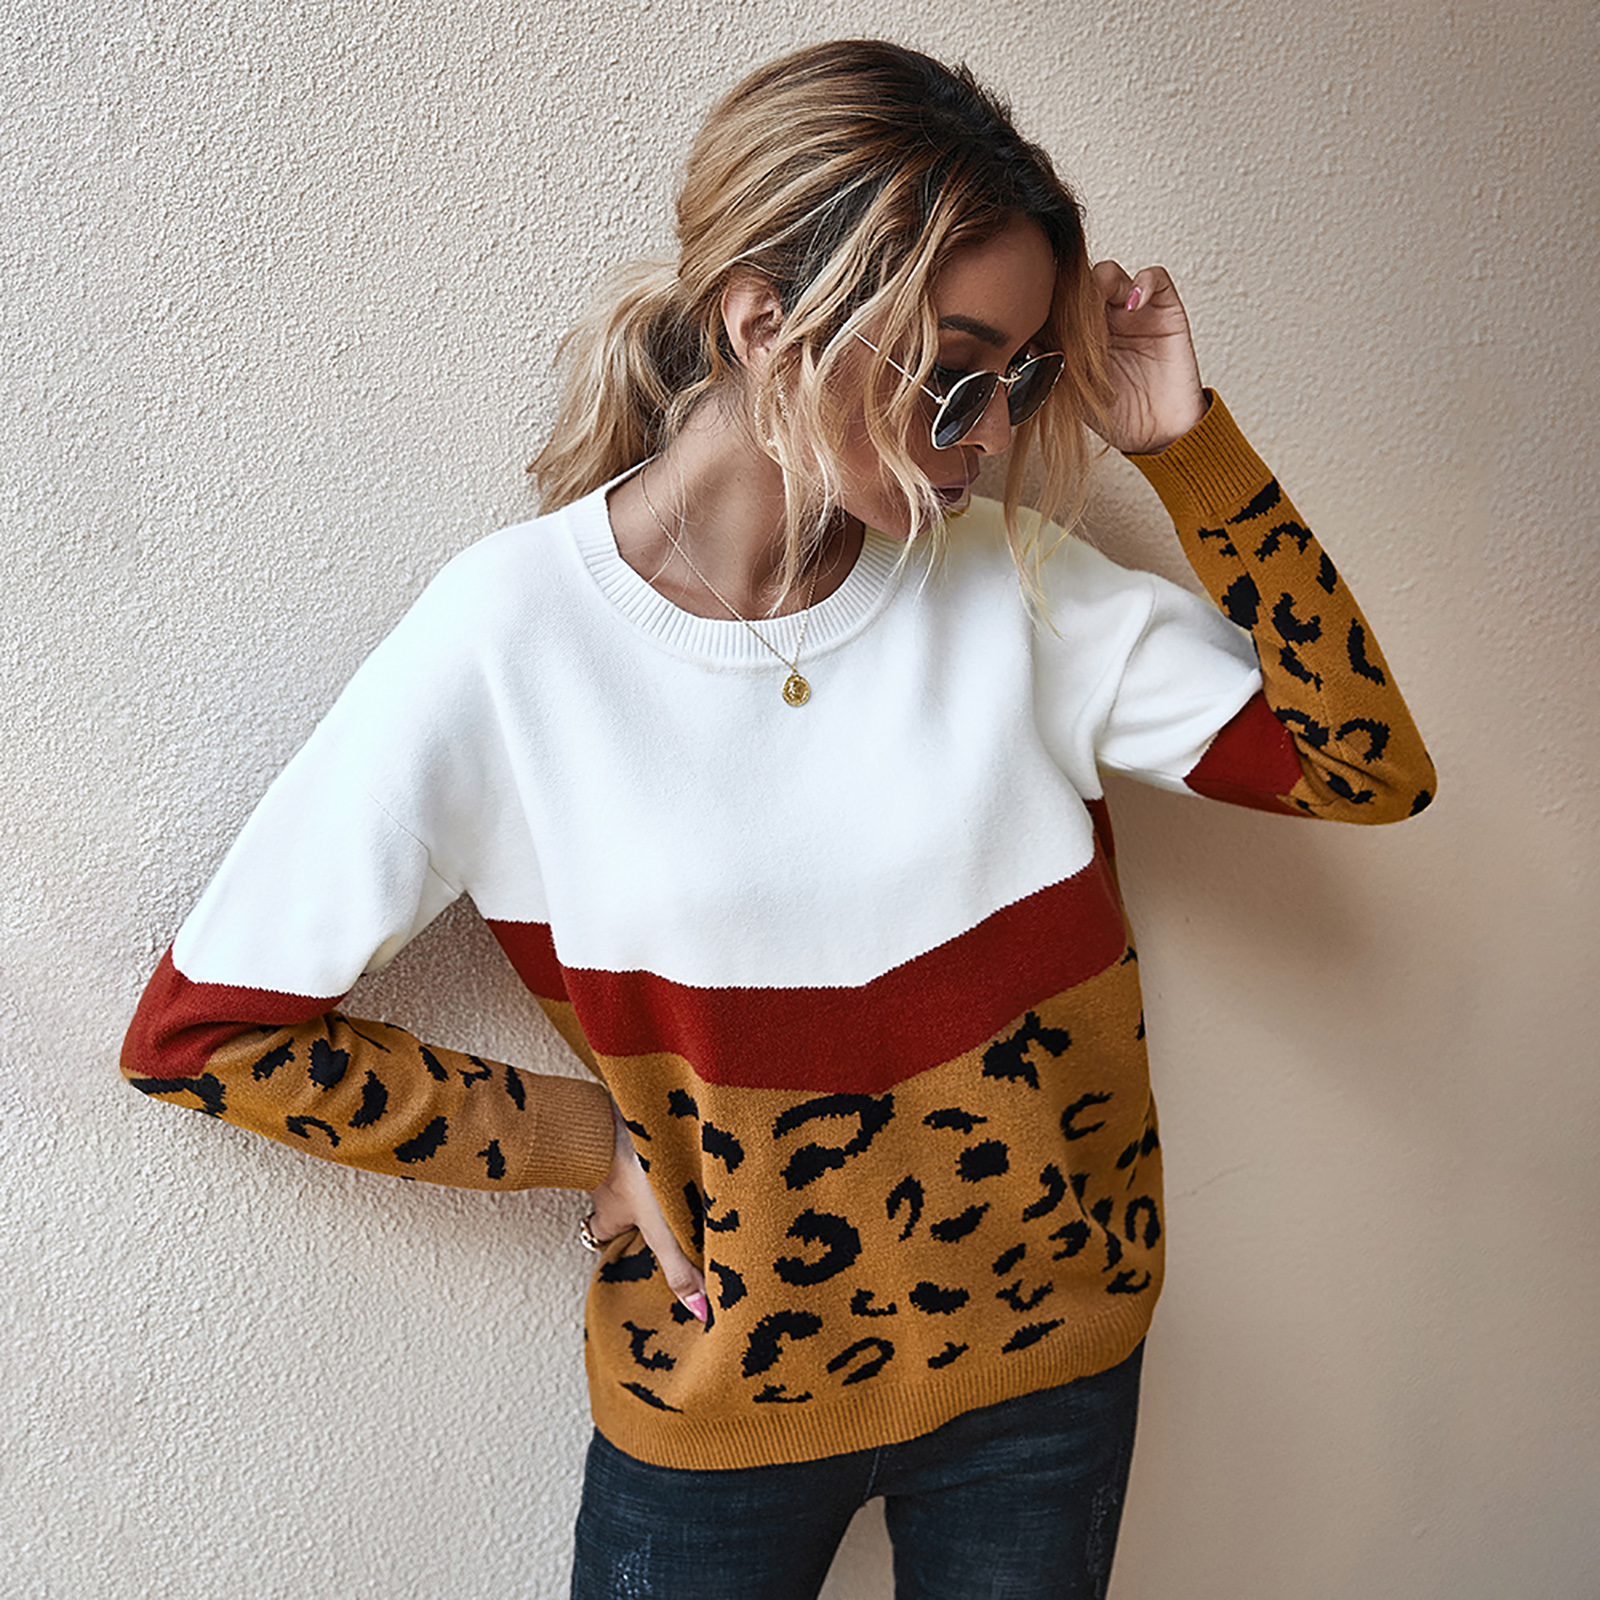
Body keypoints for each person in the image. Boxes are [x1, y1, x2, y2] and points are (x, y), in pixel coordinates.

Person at [121, 39, 1434, 1600]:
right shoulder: (509, 643)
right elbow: (200, 1033)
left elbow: (1366, 767)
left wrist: (1188, 448)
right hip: (722, 1408)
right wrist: (581, 1142)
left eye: (1021, 376)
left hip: (1050, 1373)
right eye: (957, 372)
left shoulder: (1009, 584)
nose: (992, 432)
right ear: (762, 322)